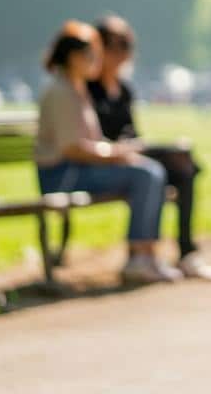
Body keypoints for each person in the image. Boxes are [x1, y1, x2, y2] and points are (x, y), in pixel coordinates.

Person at [35, 20, 179, 284]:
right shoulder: (62, 92)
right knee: (145, 175)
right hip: (63, 175)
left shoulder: (76, 89)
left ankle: (145, 255)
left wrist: (120, 151)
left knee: (149, 170)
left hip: (76, 170)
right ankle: (139, 257)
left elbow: (91, 141)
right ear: (73, 57)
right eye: (91, 55)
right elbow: (72, 148)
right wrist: (115, 155)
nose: (97, 61)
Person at [87, 15, 211, 281]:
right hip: (108, 158)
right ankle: (144, 255)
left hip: (129, 153)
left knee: (185, 168)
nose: (123, 54)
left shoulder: (123, 90)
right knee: (158, 171)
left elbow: (131, 131)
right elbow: (92, 137)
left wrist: (135, 147)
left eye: (127, 46)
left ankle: (185, 252)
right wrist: (127, 149)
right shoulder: (88, 89)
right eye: (116, 46)